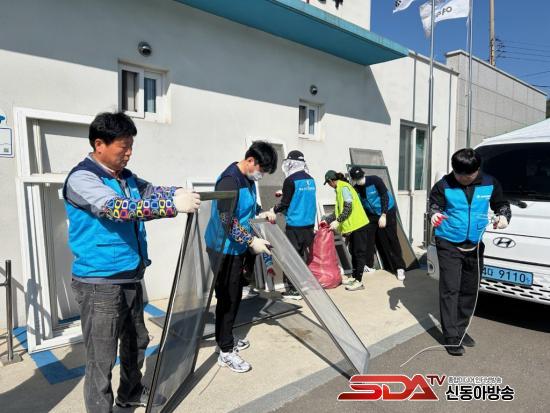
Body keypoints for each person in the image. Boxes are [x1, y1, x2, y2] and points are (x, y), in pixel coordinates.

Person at [64, 112, 200, 412]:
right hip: (100, 282)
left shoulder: (125, 177)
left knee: (136, 340)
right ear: (99, 144)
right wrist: (171, 205)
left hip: (129, 275)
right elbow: (118, 209)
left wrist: (175, 192)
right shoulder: (82, 179)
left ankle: (130, 392)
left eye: (131, 147)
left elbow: (150, 191)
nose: (128, 153)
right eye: (123, 147)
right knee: (101, 358)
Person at [429, 148, 511, 356]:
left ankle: (460, 329)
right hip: (448, 241)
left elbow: (501, 204)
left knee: (470, 288)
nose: (464, 179)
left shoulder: (490, 183)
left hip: (474, 243)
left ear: (477, 169)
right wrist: (434, 215)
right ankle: (451, 337)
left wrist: (503, 216)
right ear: (454, 170)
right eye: (459, 175)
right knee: (450, 288)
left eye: (469, 175)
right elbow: (434, 206)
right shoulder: (443, 185)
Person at [205, 141, 278, 373]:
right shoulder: (229, 180)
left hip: (236, 247)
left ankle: (225, 337)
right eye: (262, 170)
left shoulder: (247, 179)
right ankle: (225, 351)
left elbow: (247, 207)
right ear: (250, 160)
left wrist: (261, 212)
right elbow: (226, 220)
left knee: (234, 295)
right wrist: (251, 241)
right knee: (227, 298)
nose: (261, 175)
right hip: (223, 248)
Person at [271, 150, 317, 300]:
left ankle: (293, 289)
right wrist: (284, 192)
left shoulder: (290, 180)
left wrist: (273, 210)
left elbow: (285, 204)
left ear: (291, 163)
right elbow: (302, 197)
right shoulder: (311, 179)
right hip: (309, 225)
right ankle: (302, 284)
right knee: (301, 256)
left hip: (295, 226)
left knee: (291, 257)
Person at [349, 166, 407, 281]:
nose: (360, 180)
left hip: (387, 210)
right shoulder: (356, 189)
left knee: (391, 239)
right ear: (354, 179)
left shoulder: (375, 180)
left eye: (361, 177)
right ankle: (368, 265)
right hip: (372, 214)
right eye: (357, 178)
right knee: (367, 237)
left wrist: (384, 215)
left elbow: (384, 197)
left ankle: (400, 267)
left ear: (363, 174)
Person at [321, 170, 369, 291]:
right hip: (353, 226)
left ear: (331, 181)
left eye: (328, 183)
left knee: (359, 253)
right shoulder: (339, 189)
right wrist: (327, 220)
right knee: (353, 252)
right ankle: (354, 277)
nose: (329, 185)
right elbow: (338, 211)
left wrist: (338, 221)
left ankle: (359, 281)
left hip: (359, 225)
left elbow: (348, 207)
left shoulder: (344, 188)